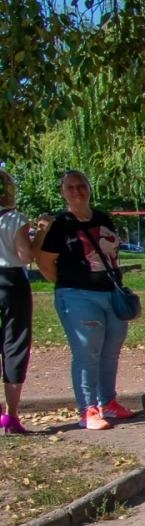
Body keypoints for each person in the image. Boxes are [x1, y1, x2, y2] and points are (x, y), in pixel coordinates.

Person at [36, 171, 133, 430]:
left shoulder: (102, 218)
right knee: (87, 350)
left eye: (81, 186)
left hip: (111, 293)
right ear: (62, 193)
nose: (77, 191)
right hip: (76, 295)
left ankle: (108, 402)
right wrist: (70, 282)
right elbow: (45, 263)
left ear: (89, 188)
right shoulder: (61, 224)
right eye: (70, 187)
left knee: (111, 349)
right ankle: (88, 409)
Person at [0, 169, 47, 434]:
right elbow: (26, 255)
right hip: (10, 282)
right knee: (15, 343)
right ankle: (12, 415)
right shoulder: (13, 219)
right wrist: (40, 232)